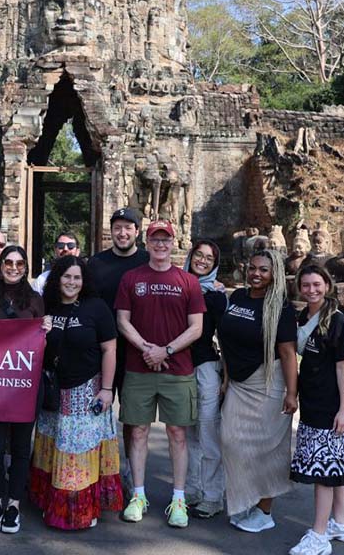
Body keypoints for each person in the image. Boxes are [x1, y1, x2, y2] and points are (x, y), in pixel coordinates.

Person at [114, 219, 205, 528]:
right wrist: (146, 349)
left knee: (177, 433)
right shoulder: (131, 277)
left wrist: (164, 350)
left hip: (178, 369)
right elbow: (123, 320)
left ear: (173, 243)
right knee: (137, 431)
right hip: (139, 368)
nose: (161, 245)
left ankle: (178, 499)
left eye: (166, 240)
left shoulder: (188, 281)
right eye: (156, 239)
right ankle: (138, 495)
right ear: (148, 243)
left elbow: (197, 327)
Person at [30, 256, 123, 530]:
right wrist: (41, 331)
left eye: (77, 278)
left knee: (76, 450)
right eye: (67, 277)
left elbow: (110, 349)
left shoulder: (97, 308)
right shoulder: (48, 306)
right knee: (51, 445)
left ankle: (79, 510)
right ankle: (49, 500)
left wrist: (107, 390)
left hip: (85, 389)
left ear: (84, 282)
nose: (71, 282)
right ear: (57, 279)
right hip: (52, 389)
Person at [218, 249, 298, 533]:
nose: (256, 274)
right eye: (252, 268)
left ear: (274, 273)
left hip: (268, 382)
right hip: (239, 383)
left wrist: (291, 393)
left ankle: (264, 511)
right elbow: (226, 340)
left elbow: (288, 354)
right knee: (230, 439)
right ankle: (246, 501)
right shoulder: (237, 297)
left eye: (263, 270)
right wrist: (227, 378)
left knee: (266, 449)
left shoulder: (283, 308)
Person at [0, 245, 47, 534]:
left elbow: (42, 339)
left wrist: (46, 329)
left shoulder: (35, 300)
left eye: (19, 263)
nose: (14, 267)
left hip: (24, 386)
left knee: (19, 448)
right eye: (8, 262)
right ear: (1, 265)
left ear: (26, 267)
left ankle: (13, 505)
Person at [288, 265, 344, 555]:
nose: (311, 290)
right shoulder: (303, 316)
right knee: (335, 464)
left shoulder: (337, 320)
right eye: (305, 285)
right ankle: (340, 523)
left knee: (324, 471)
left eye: (316, 284)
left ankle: (319, 536)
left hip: (330, 404)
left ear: (327, 285)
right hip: (312, 400)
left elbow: (343, 368)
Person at [87, 207, 148, 493]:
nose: (122, 233)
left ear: (137, 231)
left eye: (128, 227)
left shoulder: (148, 261)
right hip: (101, 350)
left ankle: (125, 471)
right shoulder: (96, 264)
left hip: (138, 350)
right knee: (97, 410)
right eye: (117, 227)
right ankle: (97, 470)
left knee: (133, 418)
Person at [183, 239, 228, 519]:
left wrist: (228, 376)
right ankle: (191, 488)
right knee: (187, 434)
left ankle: (213, 495)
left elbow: (226, 336)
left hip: (206, 367)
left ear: (214, 265)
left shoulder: (216, 295)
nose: (202, 261)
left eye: (208, 259)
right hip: (179, 367)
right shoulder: (177, 287)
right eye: (198, 255)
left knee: (209, 432)